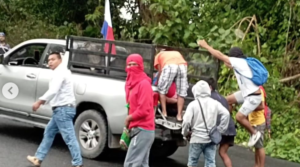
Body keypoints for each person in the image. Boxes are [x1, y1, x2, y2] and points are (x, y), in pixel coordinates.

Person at [198, 40, 264, 147]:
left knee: (239, 117)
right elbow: (227, 63)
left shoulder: (239, 62)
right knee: (227, 100)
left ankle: (254, 133)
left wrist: (206, 46)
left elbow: (220, 55)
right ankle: (226, 123)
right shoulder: (242, 62)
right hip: (246, 93)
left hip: (253, 96)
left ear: (234, 58)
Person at [27, 52, 83, 167]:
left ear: (60, 60)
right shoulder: (63, 71)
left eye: (53, 59)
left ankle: (78, 163)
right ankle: (38, 158)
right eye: (48, 60)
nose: (50, 62)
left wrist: (39, 102)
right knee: (49, 132)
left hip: (63, 109)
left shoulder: (60, 72)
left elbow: (53, 90)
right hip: (61, 110)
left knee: (69, 137)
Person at [182, 80, 230, 167]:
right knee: (210, 163)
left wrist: (184, 133)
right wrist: (220, 130)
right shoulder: (215, 103)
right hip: (211, 139)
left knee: (192, 162)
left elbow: (186, 121)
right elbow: (226, 114)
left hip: (196, 139)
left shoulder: (193, 105)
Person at [123, 54, 155, 167]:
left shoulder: (144, 84)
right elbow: (130, 105)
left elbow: (144, 109)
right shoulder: (130, 84)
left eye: (134, 64)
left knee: (131, 164)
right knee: (141, 164)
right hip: (136, 128)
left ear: (140, 66)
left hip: (143, 129)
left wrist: (129, 118)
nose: (131, 67)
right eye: (129, 64)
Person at [206, 78, 236, 167]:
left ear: (209, 87)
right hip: (230, 128)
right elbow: (228, 111)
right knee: (223, 153)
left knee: (208, 150)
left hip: (221, 128)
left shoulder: (209, 98)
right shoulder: (222, 98)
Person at [154, 50, 188, 121]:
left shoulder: (158, 56)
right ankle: (179, 116)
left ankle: (164, 112)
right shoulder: (176, 53)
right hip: (183, 65)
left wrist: (159, 83)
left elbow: (160, 71)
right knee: (181, 92)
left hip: (170, 65)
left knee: (161, 90)